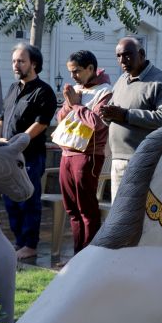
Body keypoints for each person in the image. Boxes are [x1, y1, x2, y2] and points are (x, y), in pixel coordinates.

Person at [0, 44, 57, 263]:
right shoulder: (13, 88)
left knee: (28, 200)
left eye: (21, 61)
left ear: (34, 64)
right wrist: (0, 139)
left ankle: (30, 245)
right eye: (14, 61)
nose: (16, 65)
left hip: (29, 156)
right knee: (10, 200)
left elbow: (41, 123)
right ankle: (19, 241)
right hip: (7, 155)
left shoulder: (44, 91)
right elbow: (2, 117)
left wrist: (18, 142)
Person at [101, 37, 162, 198]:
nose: (122, 60)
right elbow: (115, 113)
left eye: (127, 55)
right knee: (120, 210)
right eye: (118, 56)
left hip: (143, 160)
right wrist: (107, 115)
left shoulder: (159, 80)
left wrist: (126, 115)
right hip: (118, 159)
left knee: (139, 211)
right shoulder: (122, 79)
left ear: (141, 54)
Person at [55, 50, 112, 255]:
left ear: (91, 68)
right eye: (70, 72)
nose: (73, 76)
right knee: (72, 210)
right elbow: (61, 119)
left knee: (87, 210)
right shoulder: (77, 89)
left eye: (77, 71)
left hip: (88, 155)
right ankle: (77, 256)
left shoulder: (106, 91)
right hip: (67, 154)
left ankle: (89, 258)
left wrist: (77, 104)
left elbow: (97, 123)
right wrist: (69, 104)